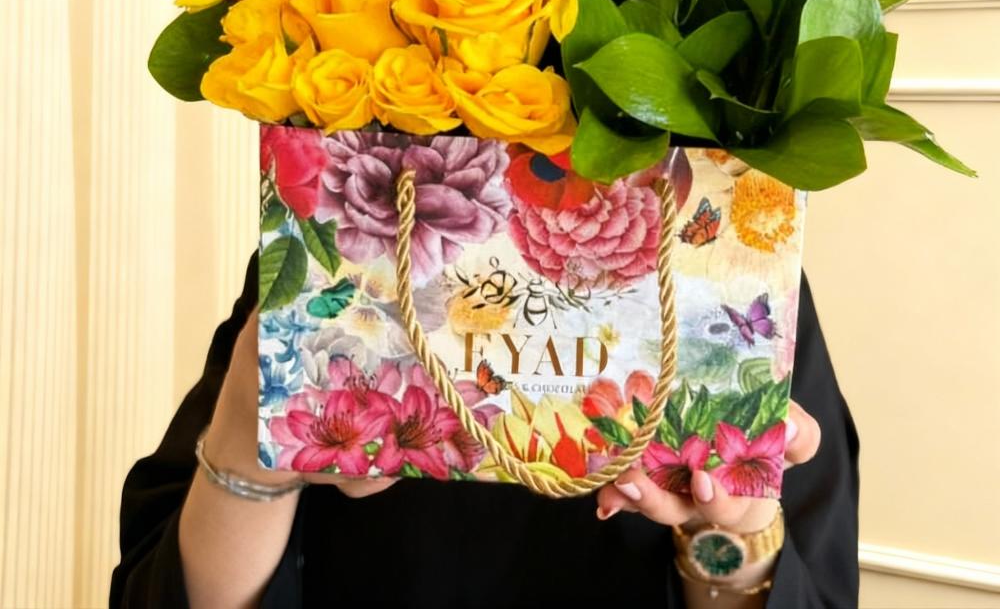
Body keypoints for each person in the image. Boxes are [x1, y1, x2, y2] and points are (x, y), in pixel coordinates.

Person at [110, 253, 859, 608]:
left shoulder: (725, 278)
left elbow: (803, 590)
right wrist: (251, 448)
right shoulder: (340, 251)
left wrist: (726, 538)